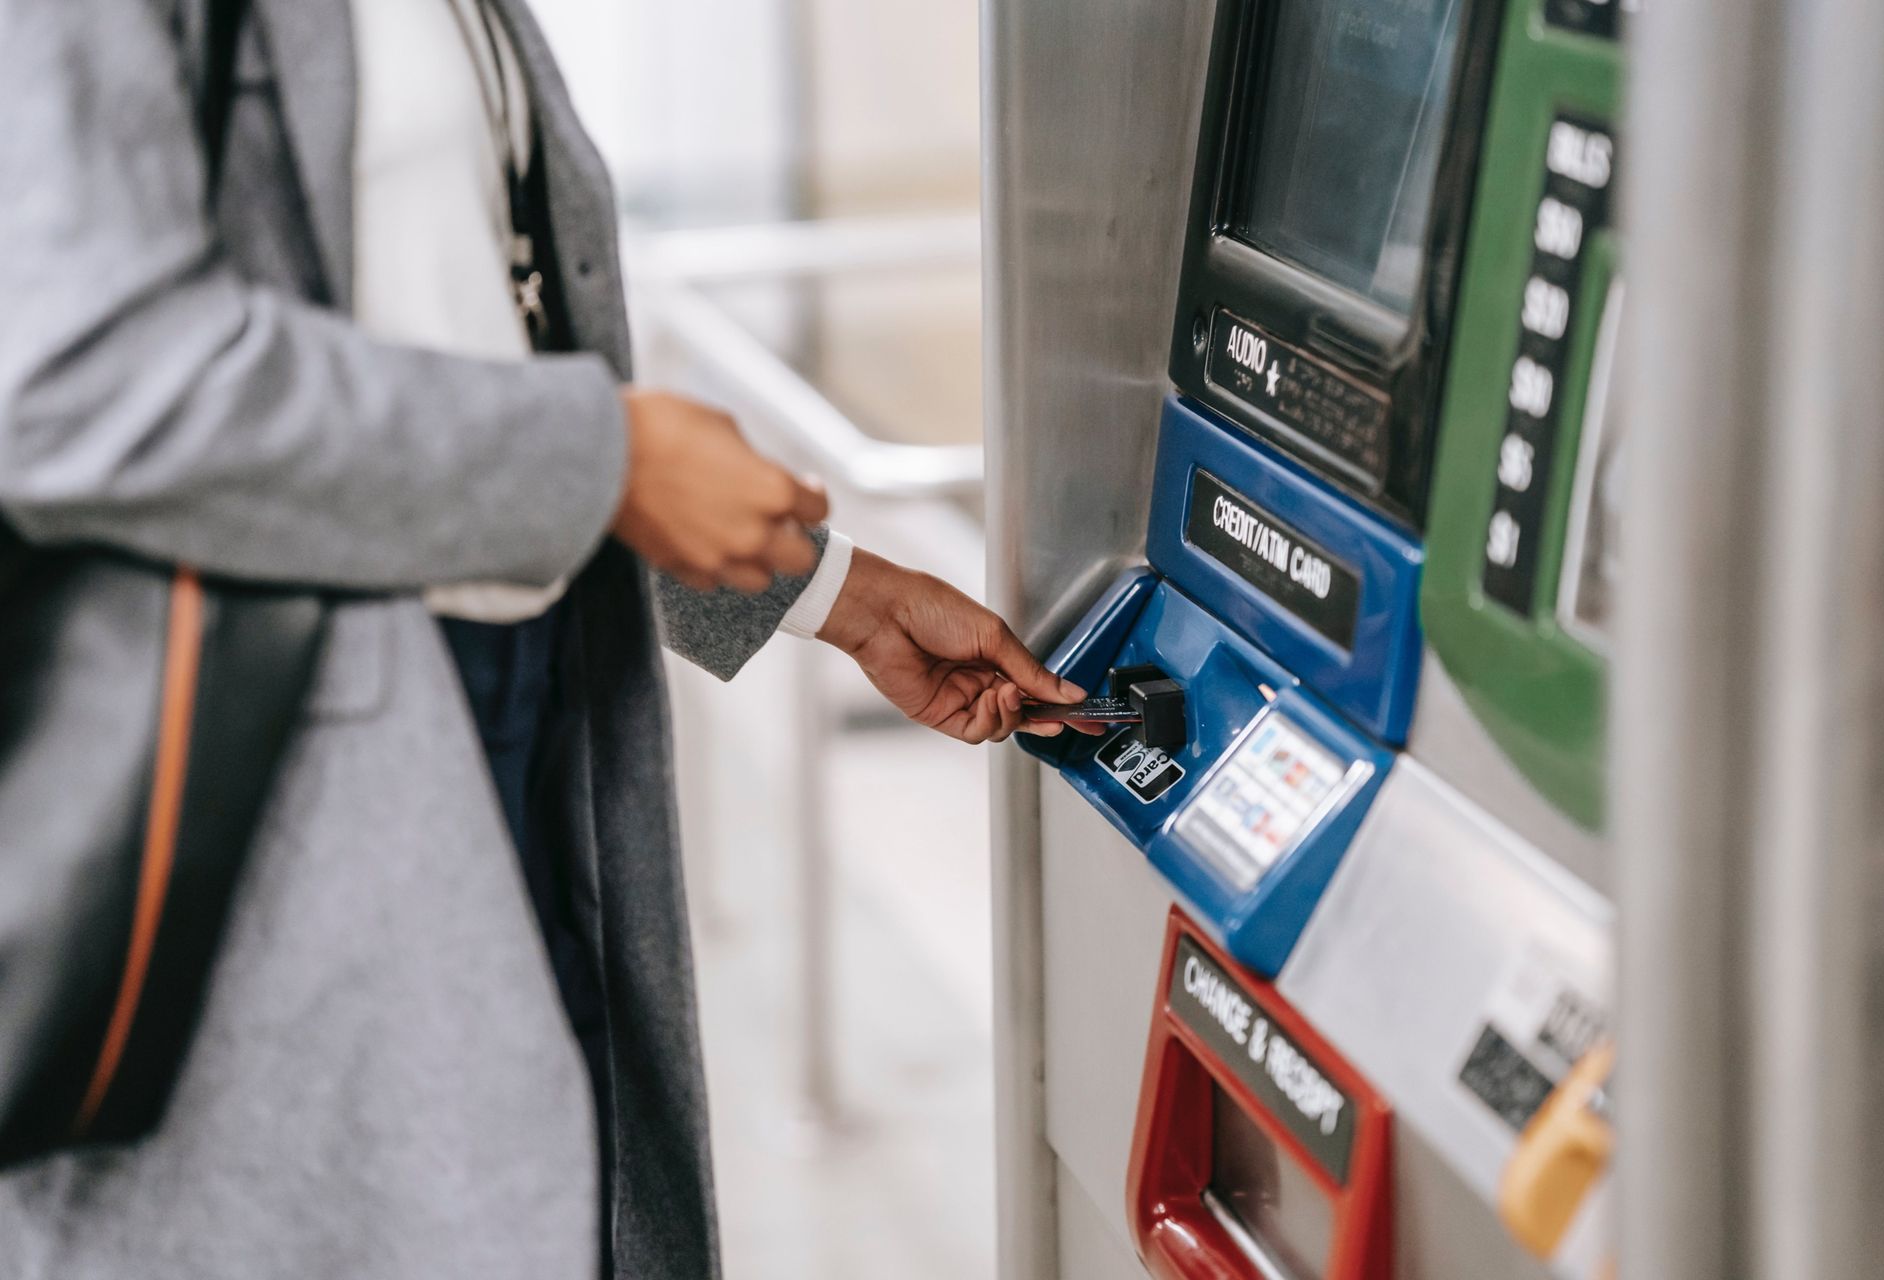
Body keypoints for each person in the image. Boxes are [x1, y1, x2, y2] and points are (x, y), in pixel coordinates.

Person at [0, 2, 1083, 1277]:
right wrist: (609, 459)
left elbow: (462, 332)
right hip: (273, 803)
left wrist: (827, 593)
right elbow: (74, 379)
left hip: (512, 724)